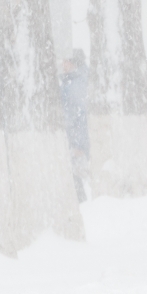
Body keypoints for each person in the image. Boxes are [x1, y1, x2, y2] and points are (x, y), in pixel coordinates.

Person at [59, 49, 90, 202]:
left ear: (72, 63)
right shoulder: (70, 80)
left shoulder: (76, 83)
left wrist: (79, 145)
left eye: (65, 61)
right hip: (71, 138)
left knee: (76, 179)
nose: (62, 64)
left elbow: (81, 116)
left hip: (75, 141)